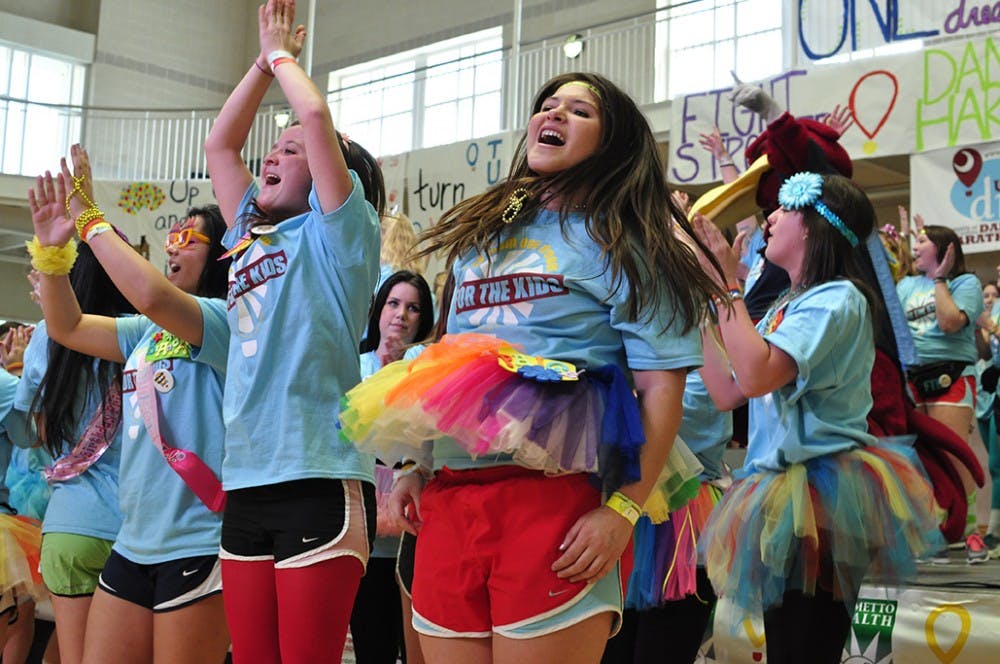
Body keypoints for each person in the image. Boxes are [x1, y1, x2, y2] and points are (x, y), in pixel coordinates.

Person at [340, 72, 724, 664]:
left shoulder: (630, 242)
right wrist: (419, 463)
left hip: (555, 503)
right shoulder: (482, 234)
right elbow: (448, 363)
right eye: (547, 106)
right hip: (450, 503)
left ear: (613, 140)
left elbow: (658, 389)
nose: (555, 115)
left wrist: (621, 512)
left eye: (580, 111)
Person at [692, 173, 942, 664]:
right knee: (792, 640)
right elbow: (727, 389)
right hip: (780, 491)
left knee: (804, 643)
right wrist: (703, 294)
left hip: (821, 498)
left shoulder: (838, 298)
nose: (771, 219)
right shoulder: (787, 304)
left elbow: (758, 373)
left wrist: (726, 285)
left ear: (812, 225)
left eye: (783, 209)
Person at [201, 0, 384, 660]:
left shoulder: (341, 236)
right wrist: (257, 65)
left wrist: (283, 57)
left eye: (291, 153)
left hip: (318, 476)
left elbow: (314, 116)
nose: (272, 157)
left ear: (335, 176)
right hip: (247, 482)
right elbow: (221, 144)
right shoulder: (247, 238)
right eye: (273, 150)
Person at [26, 147, 233, 663]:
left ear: (222, 253)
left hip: (199, 541)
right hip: (132, 542)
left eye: (189, 236)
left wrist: (91, 219)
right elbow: (67, 327)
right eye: (172, 233)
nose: (173, 243)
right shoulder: (148, 331)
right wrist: (54, 257)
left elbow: (154, 296)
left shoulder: (225, 320)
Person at [12, 241, 133, 664]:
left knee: (71, 653)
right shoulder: (143, 333)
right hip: (139, 531)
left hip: (71, 526)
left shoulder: (47, 335)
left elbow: (34, 431)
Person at [350, 270, 434, 664]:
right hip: (360, 540)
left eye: (413, 307)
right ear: (378, 310)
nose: (401, 314)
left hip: (414, 536)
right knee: (372, 648)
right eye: (393, 303)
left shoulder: (429, 372)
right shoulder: (353, 366)